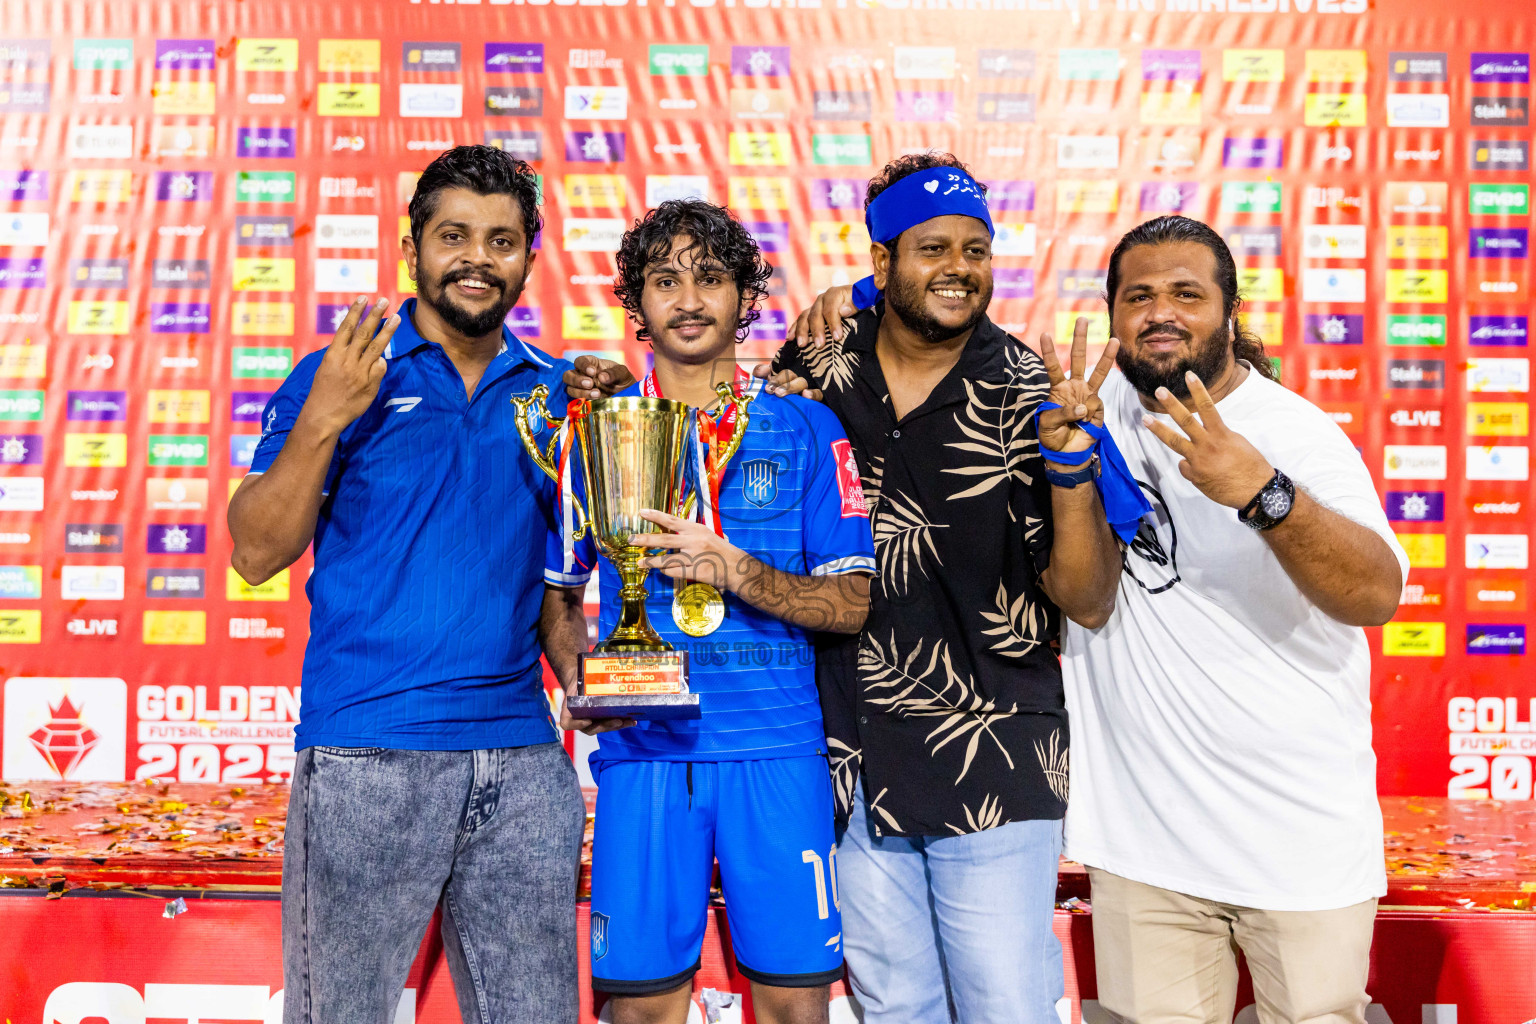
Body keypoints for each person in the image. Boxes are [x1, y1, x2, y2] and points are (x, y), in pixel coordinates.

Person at [799, 214, 1408, 1024]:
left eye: (1187, 295)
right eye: (1139, 296)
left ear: (1231, 311)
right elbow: (943, 311)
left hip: (1295, 844)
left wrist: (1263, 493)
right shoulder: (1083, 400)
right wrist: (858, 292)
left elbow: (1375, 595)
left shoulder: (1294, 432)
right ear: (1114, 313)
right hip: (1144, 846)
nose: (1162, 313)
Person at [228, 145, 620, 1024]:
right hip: (369, 756)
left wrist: (626, 423)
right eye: (453, 236)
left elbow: (574, 576)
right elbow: (255, 551)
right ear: (412, 249)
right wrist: (326, 417)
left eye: (501, 240)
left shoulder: (558, 393)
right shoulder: (344, 375)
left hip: (524, 767)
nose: (477, 258)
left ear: (531, 252)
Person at [768, 153, 1125, 1024]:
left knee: (1007, 1006)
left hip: (996, 755)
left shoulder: (1035, 389)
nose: (959, 268)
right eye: (931, 248)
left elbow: (1087, 599)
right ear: (881, 263)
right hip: (848, 756)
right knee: (896, 1008)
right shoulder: (819, 368)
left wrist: (1072, 466)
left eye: (976, 248)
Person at [575, 199, 877, 1024]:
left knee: (791, 1007)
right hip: (644, 755)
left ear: (748, 298)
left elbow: (852, 603)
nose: (689, 299)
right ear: (634, 302)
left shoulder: (809, 428)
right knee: (639, 1011)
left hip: (777, 753)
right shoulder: (592, 428)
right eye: (665, 280)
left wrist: (734, 568)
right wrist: (586, 680)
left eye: (711, 278)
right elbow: (558, 595)